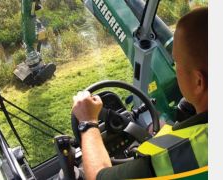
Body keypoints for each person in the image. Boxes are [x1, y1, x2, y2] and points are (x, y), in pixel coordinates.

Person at [72, 7, 208, 180]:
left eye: (176, 62)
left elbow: (98, 176)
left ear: (198, 82)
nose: (175, 67)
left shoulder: (168, 157)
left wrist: (87, 122)